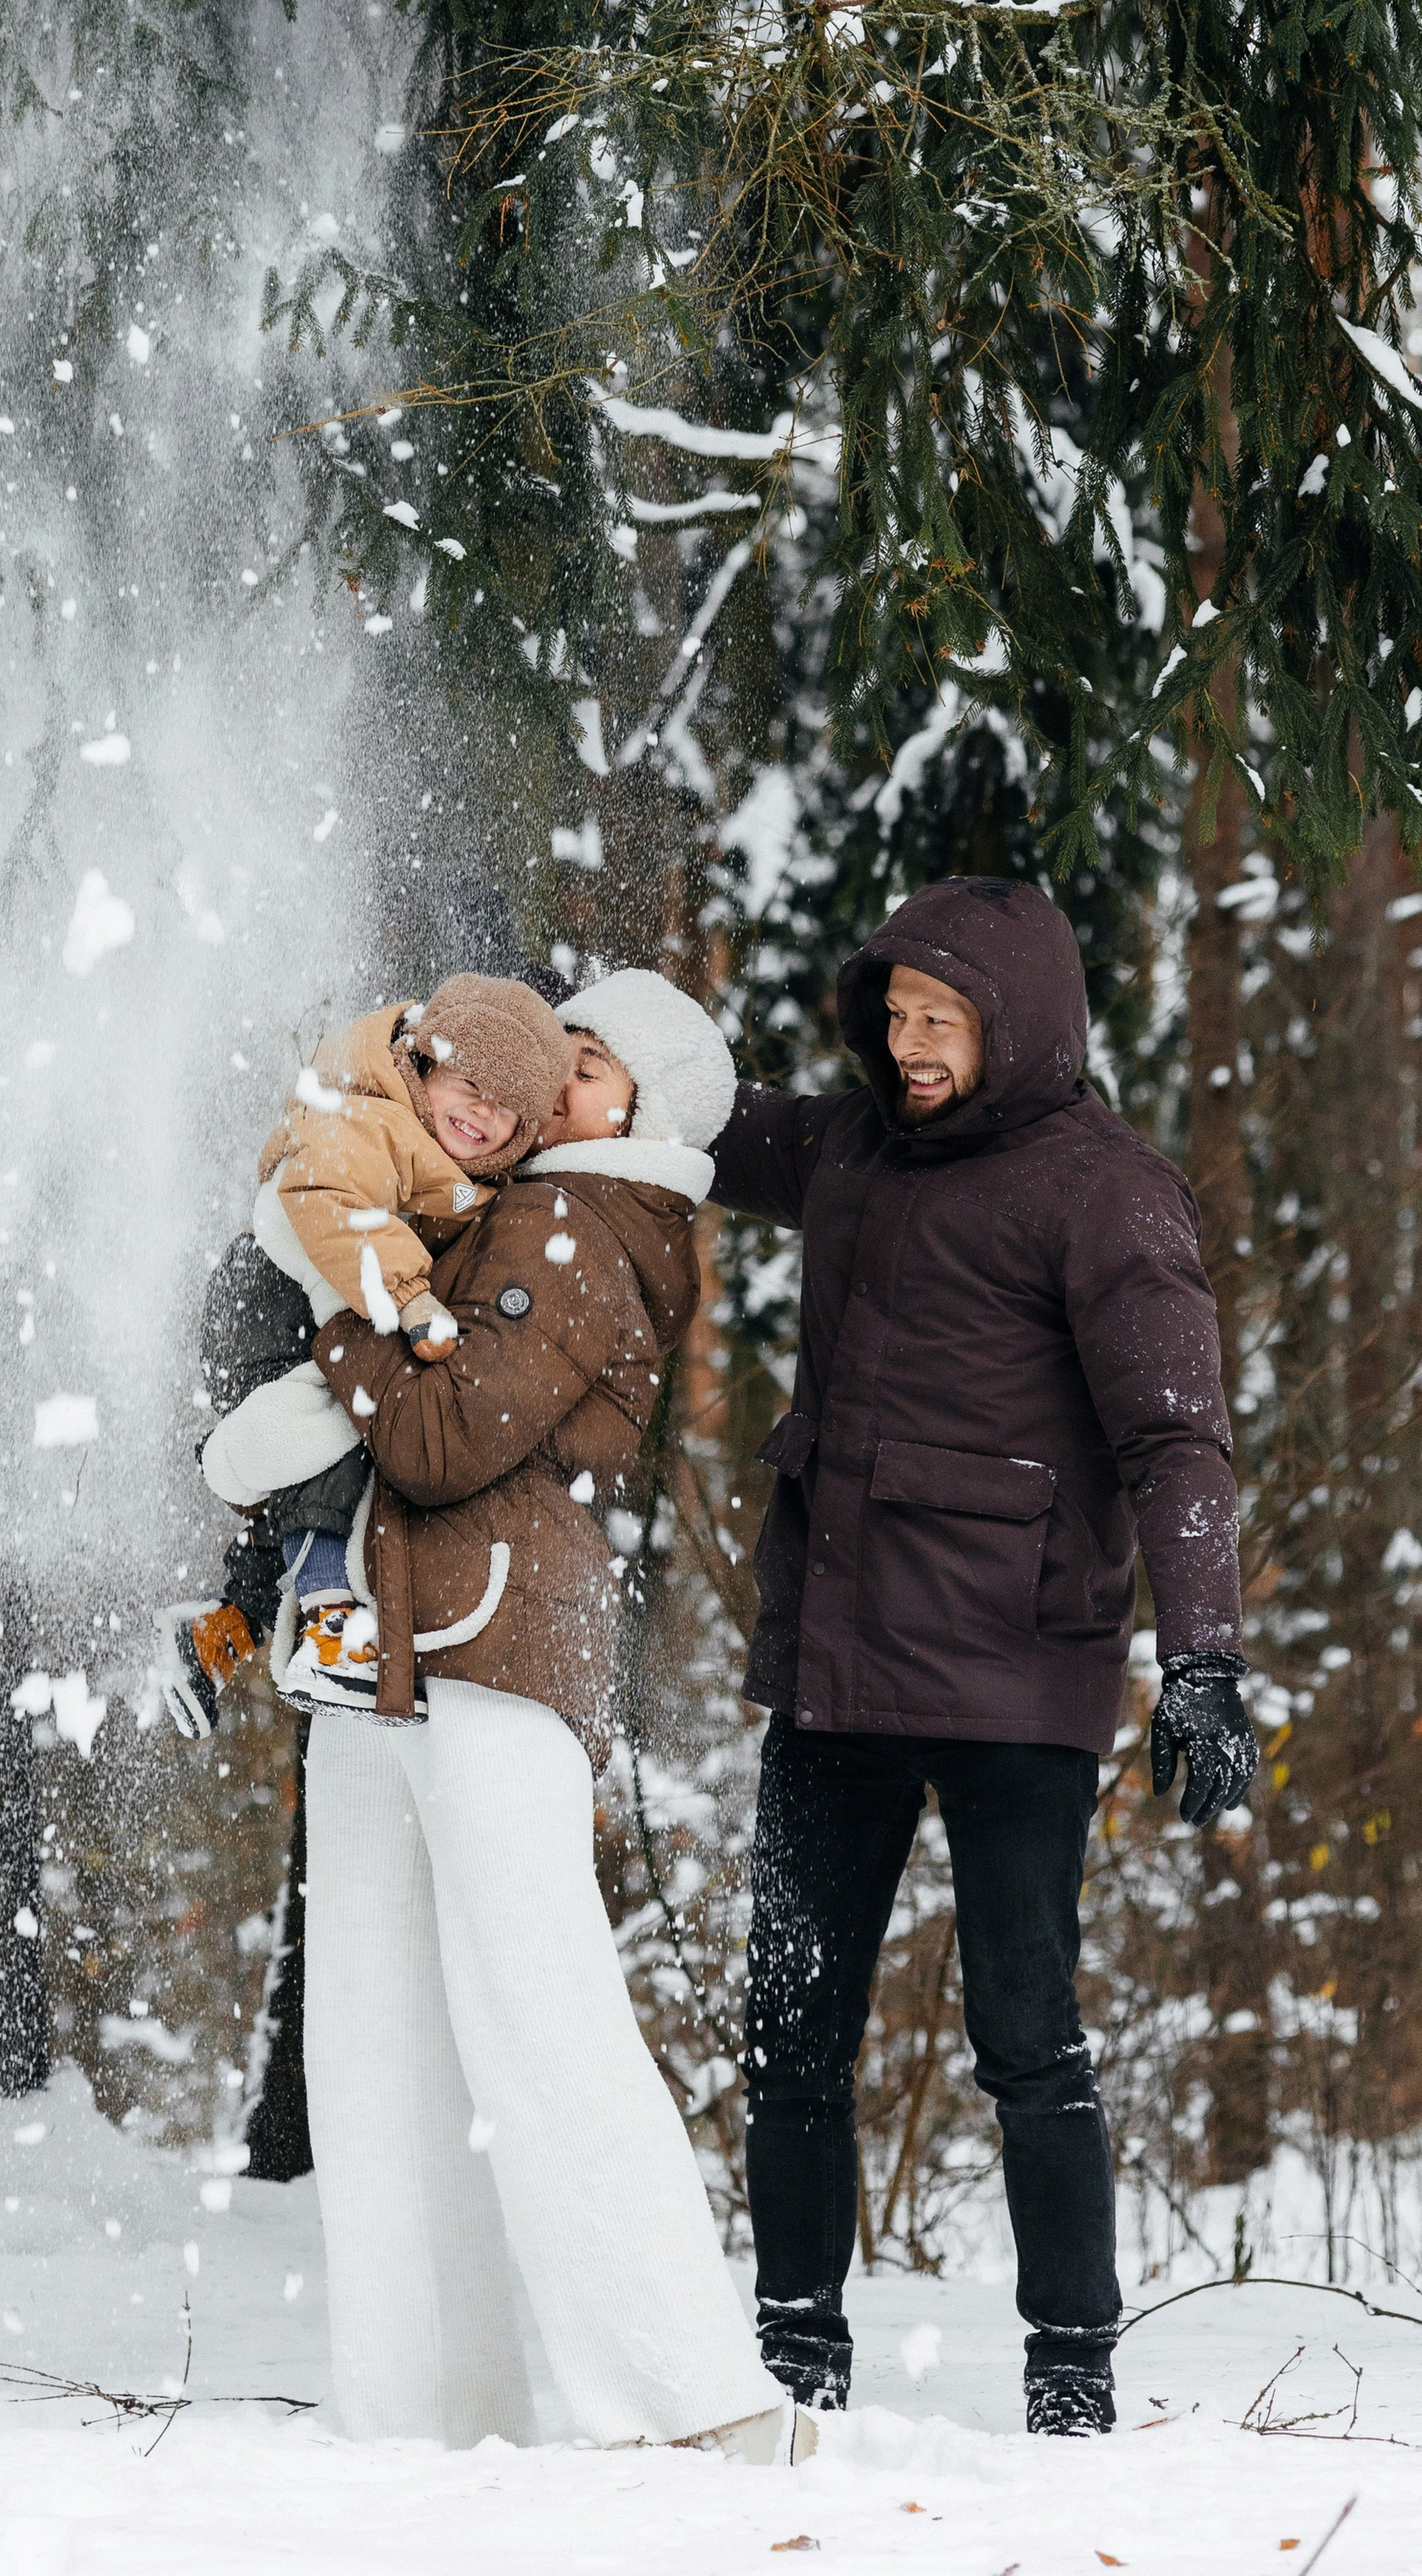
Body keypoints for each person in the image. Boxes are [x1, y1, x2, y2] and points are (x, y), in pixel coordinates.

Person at [714, 880, 1257, 2438]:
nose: (906, 1047)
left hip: (1020, 1675)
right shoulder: (851, 1150)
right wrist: (561, 1036)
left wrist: (1202, 1658)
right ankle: (794, 2348)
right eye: (891, 1018)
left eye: (936, 1021)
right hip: (838, 1666)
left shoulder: (1107, 1193)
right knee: (794, 2019)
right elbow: (695, 1120)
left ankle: (1072, 2370)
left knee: (1026, 2028)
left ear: (1015, 1024)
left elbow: (1177, 1443)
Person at [299, 968, 817, 2458]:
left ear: (637, 1113)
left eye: (583, 1068)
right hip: (401, 1646)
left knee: (542, 2013)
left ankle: (690, 2396)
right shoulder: (508, 1203)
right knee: (379, 2034)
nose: (545, 1088)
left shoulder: (573, 1220)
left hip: (489, 1638)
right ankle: (418, 2406)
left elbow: (448, 1432)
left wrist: (339, 1315)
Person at [165, 973, 574, 1716]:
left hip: (316, 1307)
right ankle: (329, 1627)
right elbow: (328, 1197)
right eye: (470, 1084)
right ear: (424, 1063)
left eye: (506, 1107)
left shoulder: (463, 1162)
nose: (482, 1113)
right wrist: (412, 1298)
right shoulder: (373, 1117)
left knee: (308, 1476)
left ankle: (222, 1629)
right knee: (347, 1437)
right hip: (272, 1305)